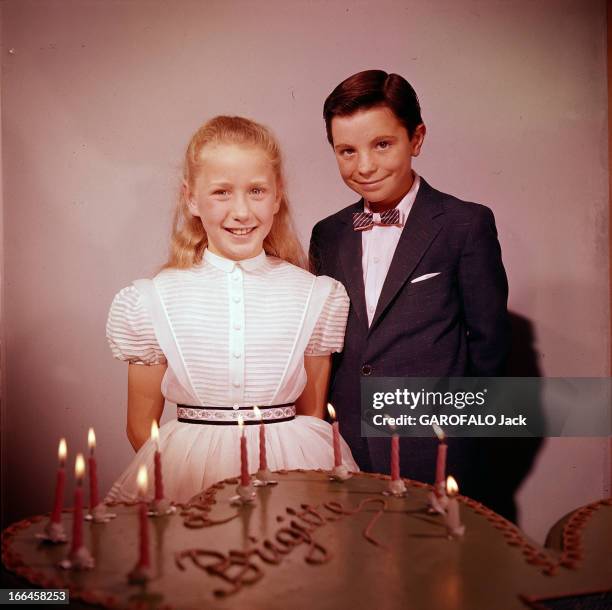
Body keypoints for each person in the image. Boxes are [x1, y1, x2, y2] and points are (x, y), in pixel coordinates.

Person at [105, 116, 357, 504]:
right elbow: (141, 428)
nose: (241, 212)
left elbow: (311, 415)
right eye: (221, 192)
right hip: (188, 479)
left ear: (277, 196)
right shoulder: (152, 299)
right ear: (190, 197)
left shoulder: (315, 296)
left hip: (289, 478)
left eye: (256, 190)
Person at [309, 70, 510, 511]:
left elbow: (490, 351)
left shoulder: (464, 224)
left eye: (382, 144)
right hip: (346, 450)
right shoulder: (327, 234)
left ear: (416, 139)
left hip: (435, 452)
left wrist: (467, 447)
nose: (364, 166)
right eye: (347, 151)